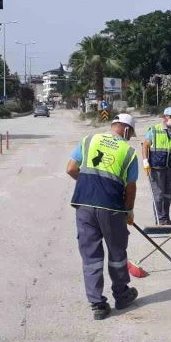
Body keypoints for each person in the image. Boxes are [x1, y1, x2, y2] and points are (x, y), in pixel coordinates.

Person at [66, 113, 140, 320]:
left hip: (84, 206)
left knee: (91, 256)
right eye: (131, 133)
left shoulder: (89, 140)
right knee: (117, 253)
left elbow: (71, 168)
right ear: (126, 130)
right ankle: (122, 295)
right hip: (112, 208)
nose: (130, 137)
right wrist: (129, 211)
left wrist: (89, 185)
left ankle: (97, 304)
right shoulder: (129, 152)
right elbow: (131, 187)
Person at [142, 108, 171, 226]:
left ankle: (166, 218)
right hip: (156, 168)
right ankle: (160, 219)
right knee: (158, 195)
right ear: (164, 117)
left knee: (167, 195)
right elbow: (145, 146)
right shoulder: (153, 130)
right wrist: (145, 161)